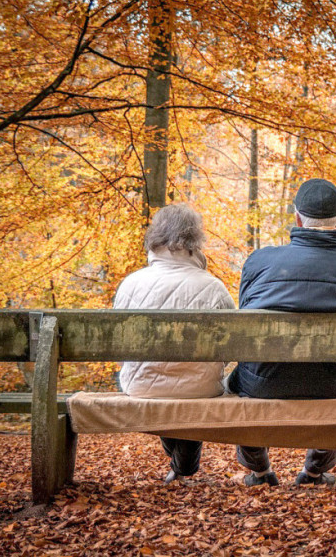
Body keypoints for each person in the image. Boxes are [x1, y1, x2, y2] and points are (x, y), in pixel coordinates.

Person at [226, 178, 336, 487]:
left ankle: (259, 472)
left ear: (297, 218)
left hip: (263, 383)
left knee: (243, 376)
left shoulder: (259, 261)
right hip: (331, 385)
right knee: (334, 372)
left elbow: (246, 319)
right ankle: (314, 473)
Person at [114, 203, 235, 483]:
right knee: (191, 387)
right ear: (195, 240)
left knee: (165, 389)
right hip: (201, 387)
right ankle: (184, 467)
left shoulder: (130, 284)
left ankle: (182, 467)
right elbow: (230, 347)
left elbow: (120, 348)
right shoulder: (213, 286)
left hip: (141, 385)